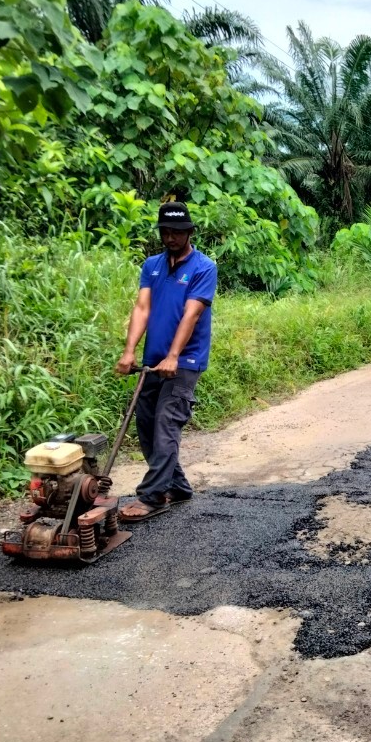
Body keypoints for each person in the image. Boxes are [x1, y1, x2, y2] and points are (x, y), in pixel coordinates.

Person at [115, 200, 218, 521]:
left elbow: (192, 314)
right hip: (152, 361)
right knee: (145, 426)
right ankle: (179, 486)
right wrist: (129, 350)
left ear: (189, 232)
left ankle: (154, 495)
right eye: (166, 232)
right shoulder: (152, 266)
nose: (171, 237)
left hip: (184, 362)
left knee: (165, 425)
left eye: (177, 232)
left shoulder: (203, 267)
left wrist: (175, 355)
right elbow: (142, 308)